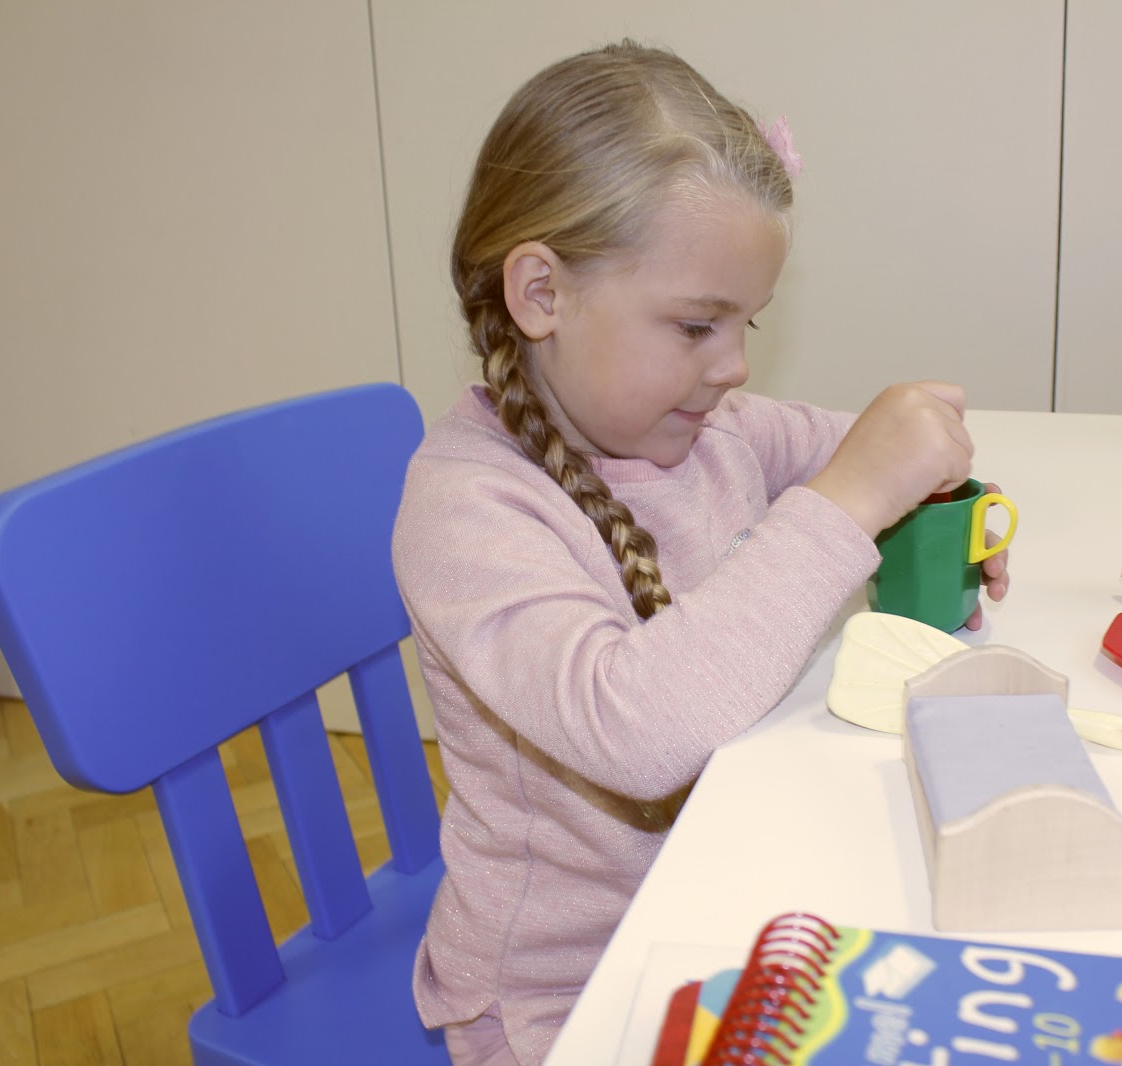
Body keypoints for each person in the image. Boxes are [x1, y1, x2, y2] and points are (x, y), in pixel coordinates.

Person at [391, 40, 1010, 1064]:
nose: (734, 367)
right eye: (694, 325)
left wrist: (942, 493)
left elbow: (847, 447)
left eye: (746, 322)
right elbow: (632, 730)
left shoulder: (692, 423)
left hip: (727, 910)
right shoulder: (469, 507)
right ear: (539, 294)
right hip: (571, 993)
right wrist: (849, 500)